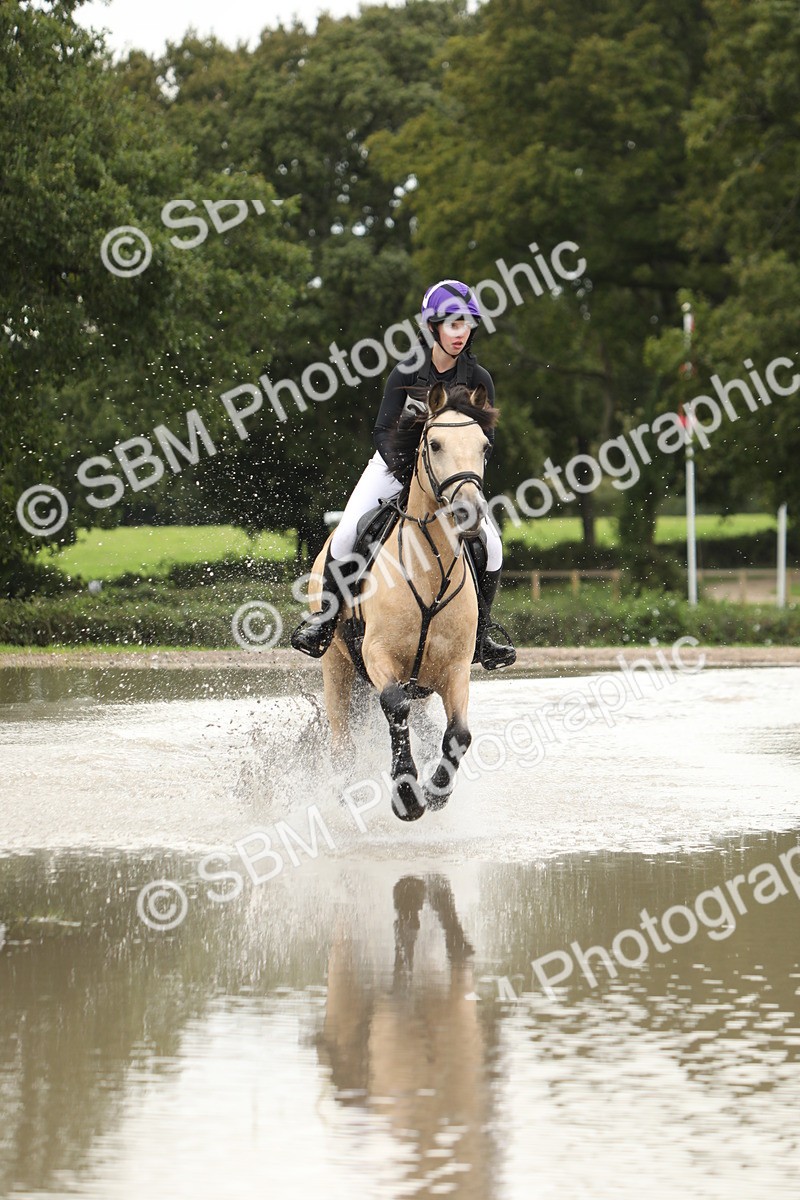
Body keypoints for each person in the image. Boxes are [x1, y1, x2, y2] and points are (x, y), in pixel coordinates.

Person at [291, 279, 516, 670]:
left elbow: (487, 439)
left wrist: (460, 478)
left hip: (452, 480)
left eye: (466, 324)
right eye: (451, 324)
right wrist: (407, 472)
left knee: (491, 546)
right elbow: (381, 431)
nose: (459, 333)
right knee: (346, 534)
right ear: (433, 327)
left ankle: (482, 636)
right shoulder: (406, 373)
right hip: (392, 469)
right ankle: (324, 623)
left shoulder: (480, 379)